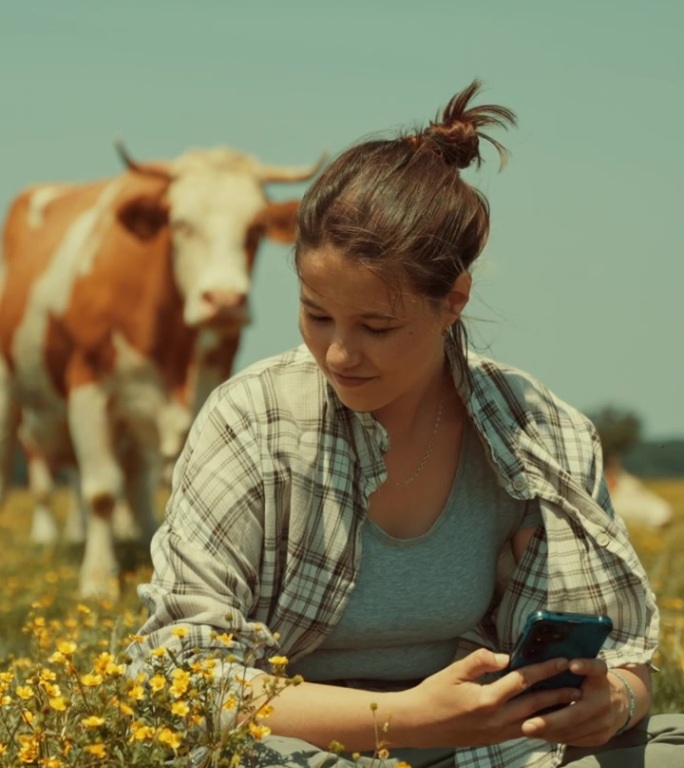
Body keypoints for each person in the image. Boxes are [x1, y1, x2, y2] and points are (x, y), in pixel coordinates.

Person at [127, 80, 684, 768]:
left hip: (495, 753)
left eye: (377, 326)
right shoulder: (254, 420)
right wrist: (404, 720)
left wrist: (615, 704)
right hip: (294, 749)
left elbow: (628, 663)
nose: (337, 353)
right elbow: (179, 675)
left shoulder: (542, 433)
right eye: (316, 314)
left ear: (453, 300)